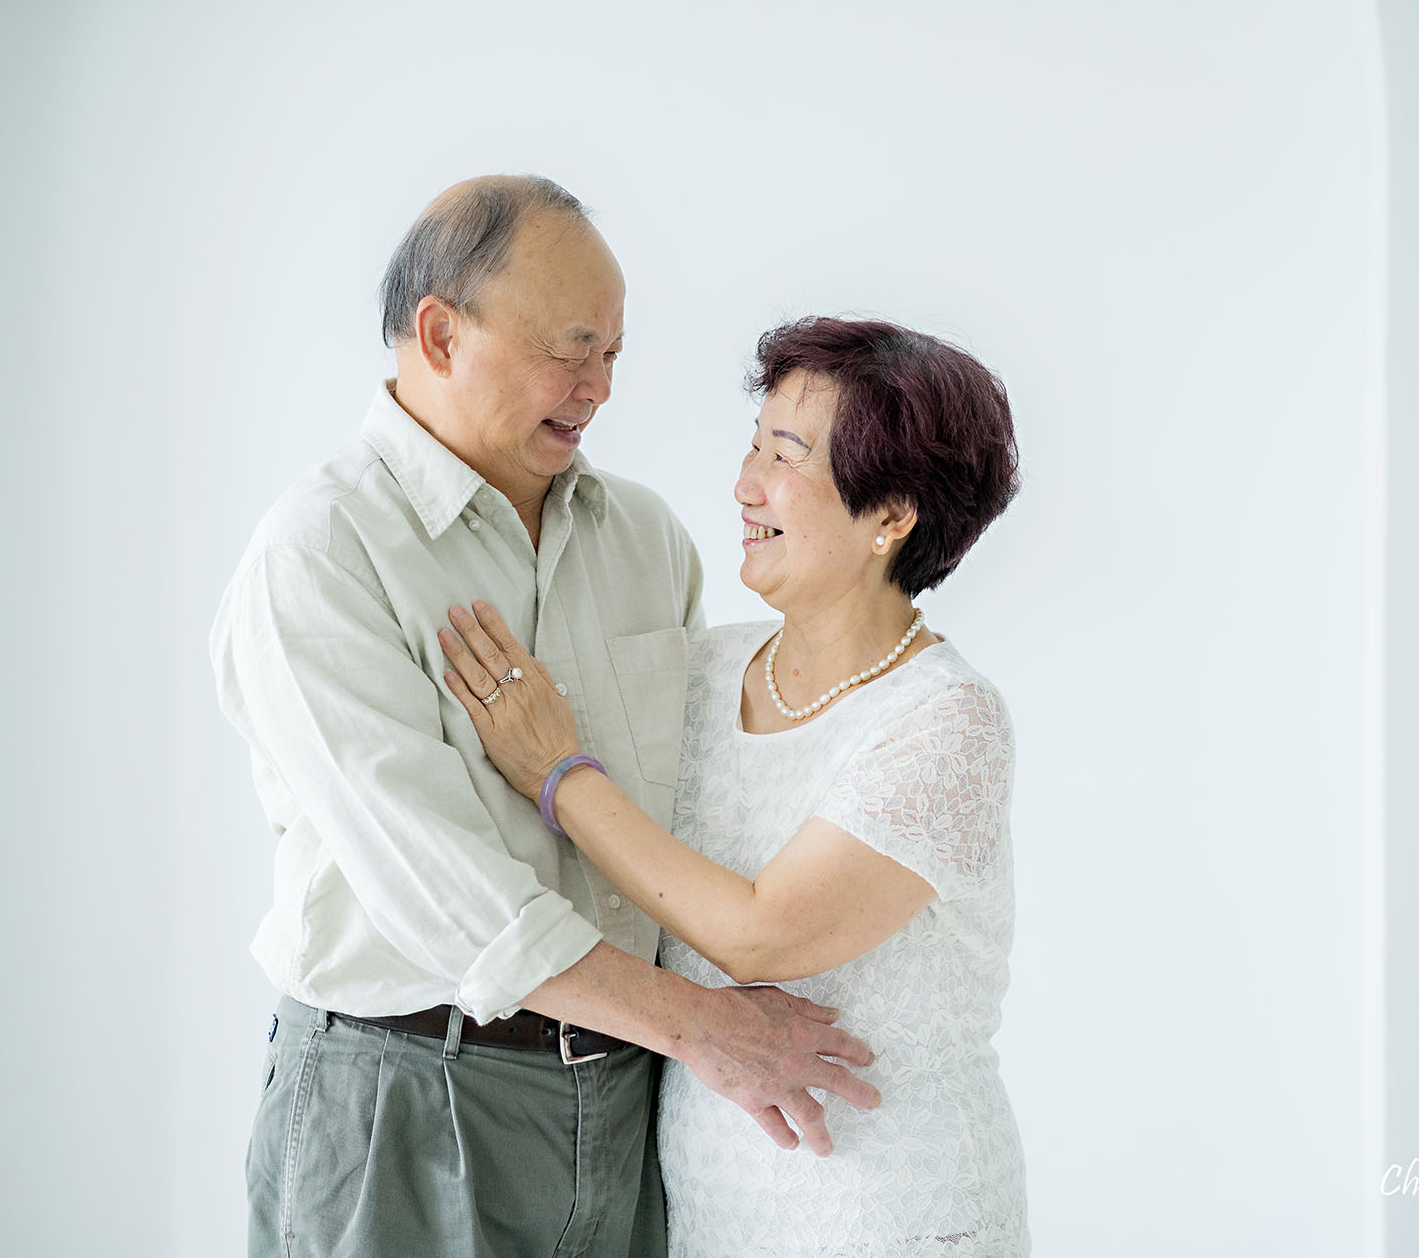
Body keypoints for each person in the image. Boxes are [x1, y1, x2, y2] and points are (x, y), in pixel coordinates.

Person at [209, 177, 881, 1258]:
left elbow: (689, 818)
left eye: (615, 352)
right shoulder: (323, 549)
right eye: (571, 349)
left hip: (627, 1100)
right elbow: (444, 890)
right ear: (439, 331)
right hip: (408, 1101)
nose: (599, 386)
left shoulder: (646, 540)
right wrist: (708, 1028)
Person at [438, 315, 1032, 1255]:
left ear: (892, 515)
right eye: (753, 446)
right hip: (708, 1208)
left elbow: (764, 931)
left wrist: (560, 774)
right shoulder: (707, 670)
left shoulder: (946, 718)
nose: (745, 486)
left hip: (895, 1211)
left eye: (786, 457)